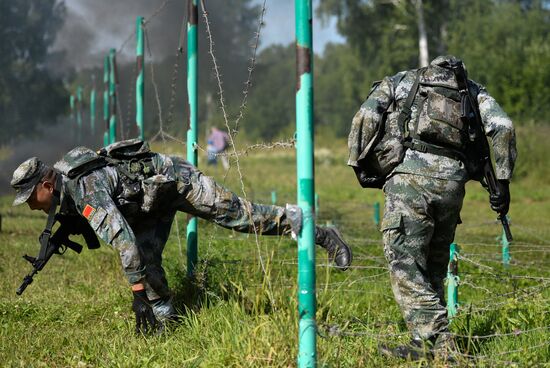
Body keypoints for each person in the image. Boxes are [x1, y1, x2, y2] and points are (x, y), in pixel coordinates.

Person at [11, 139, 352, 334]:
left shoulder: (83, 188)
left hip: (176, 182)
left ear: (45, 184)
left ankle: (318, 232)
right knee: (146, 260)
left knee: (240, 217)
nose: (29, 207)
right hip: (148, 203)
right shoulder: (66, 187)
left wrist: (137, 296)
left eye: (30, 199)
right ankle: (166, 321)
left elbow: (123, 241)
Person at [348, 55, 516, 361]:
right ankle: (423, 347)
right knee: (433, 266)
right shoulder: (472, 91)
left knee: (403, 262)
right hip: (453, 186)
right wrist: (502, 179)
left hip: (409, 182)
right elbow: (503, 126)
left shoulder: (403, 81)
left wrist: (359, 163)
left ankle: (443, 342)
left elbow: (366, 116)